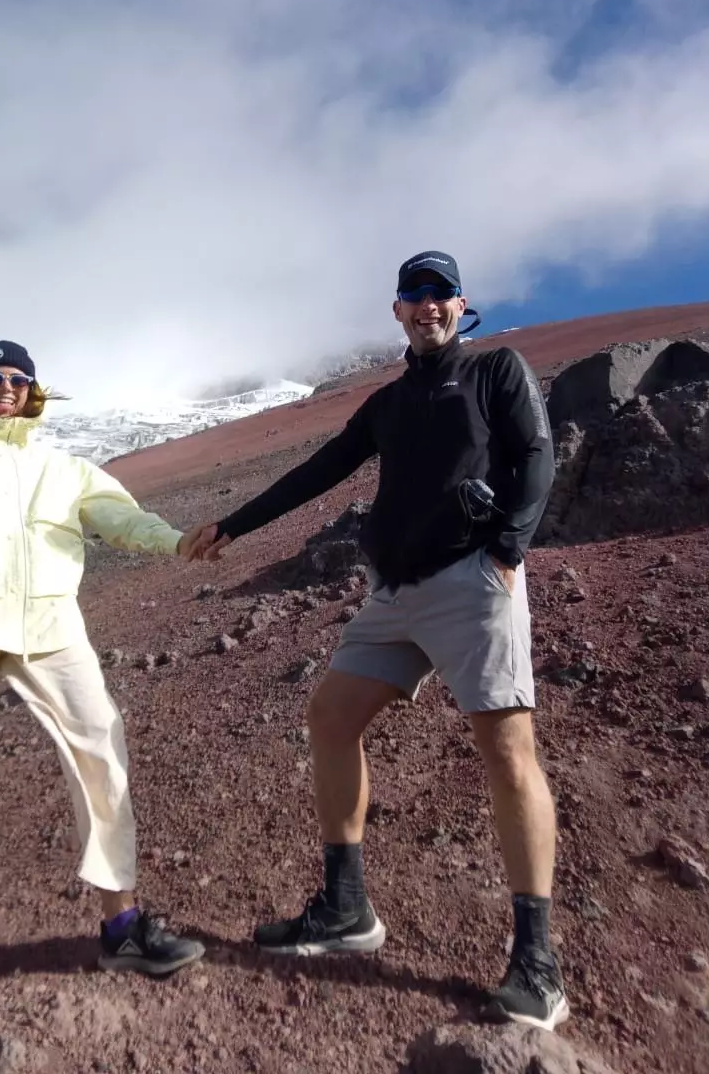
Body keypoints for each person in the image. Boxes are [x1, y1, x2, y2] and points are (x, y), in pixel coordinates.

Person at [188, 251, 568, 1031]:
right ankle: (346, 907)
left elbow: (536, 453)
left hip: (473, 580)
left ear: (461, 304)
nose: (427, 305)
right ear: (396, 309)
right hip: (395, 592)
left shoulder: (495, 370)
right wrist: (233, 524)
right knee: (331, 718)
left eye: (440, 293)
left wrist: (507, 550)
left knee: (507, 752)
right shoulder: (388, 403)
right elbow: (321, 470)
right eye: (413, 294)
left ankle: (537, 961)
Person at [0, 340, 206, 989]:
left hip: (50, 625)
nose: (6, 388)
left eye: (18, 379)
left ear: (33, 391)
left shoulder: (64, 468)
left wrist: (174, 542)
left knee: (100, 749)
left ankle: (121, 926)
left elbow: (121, 518)